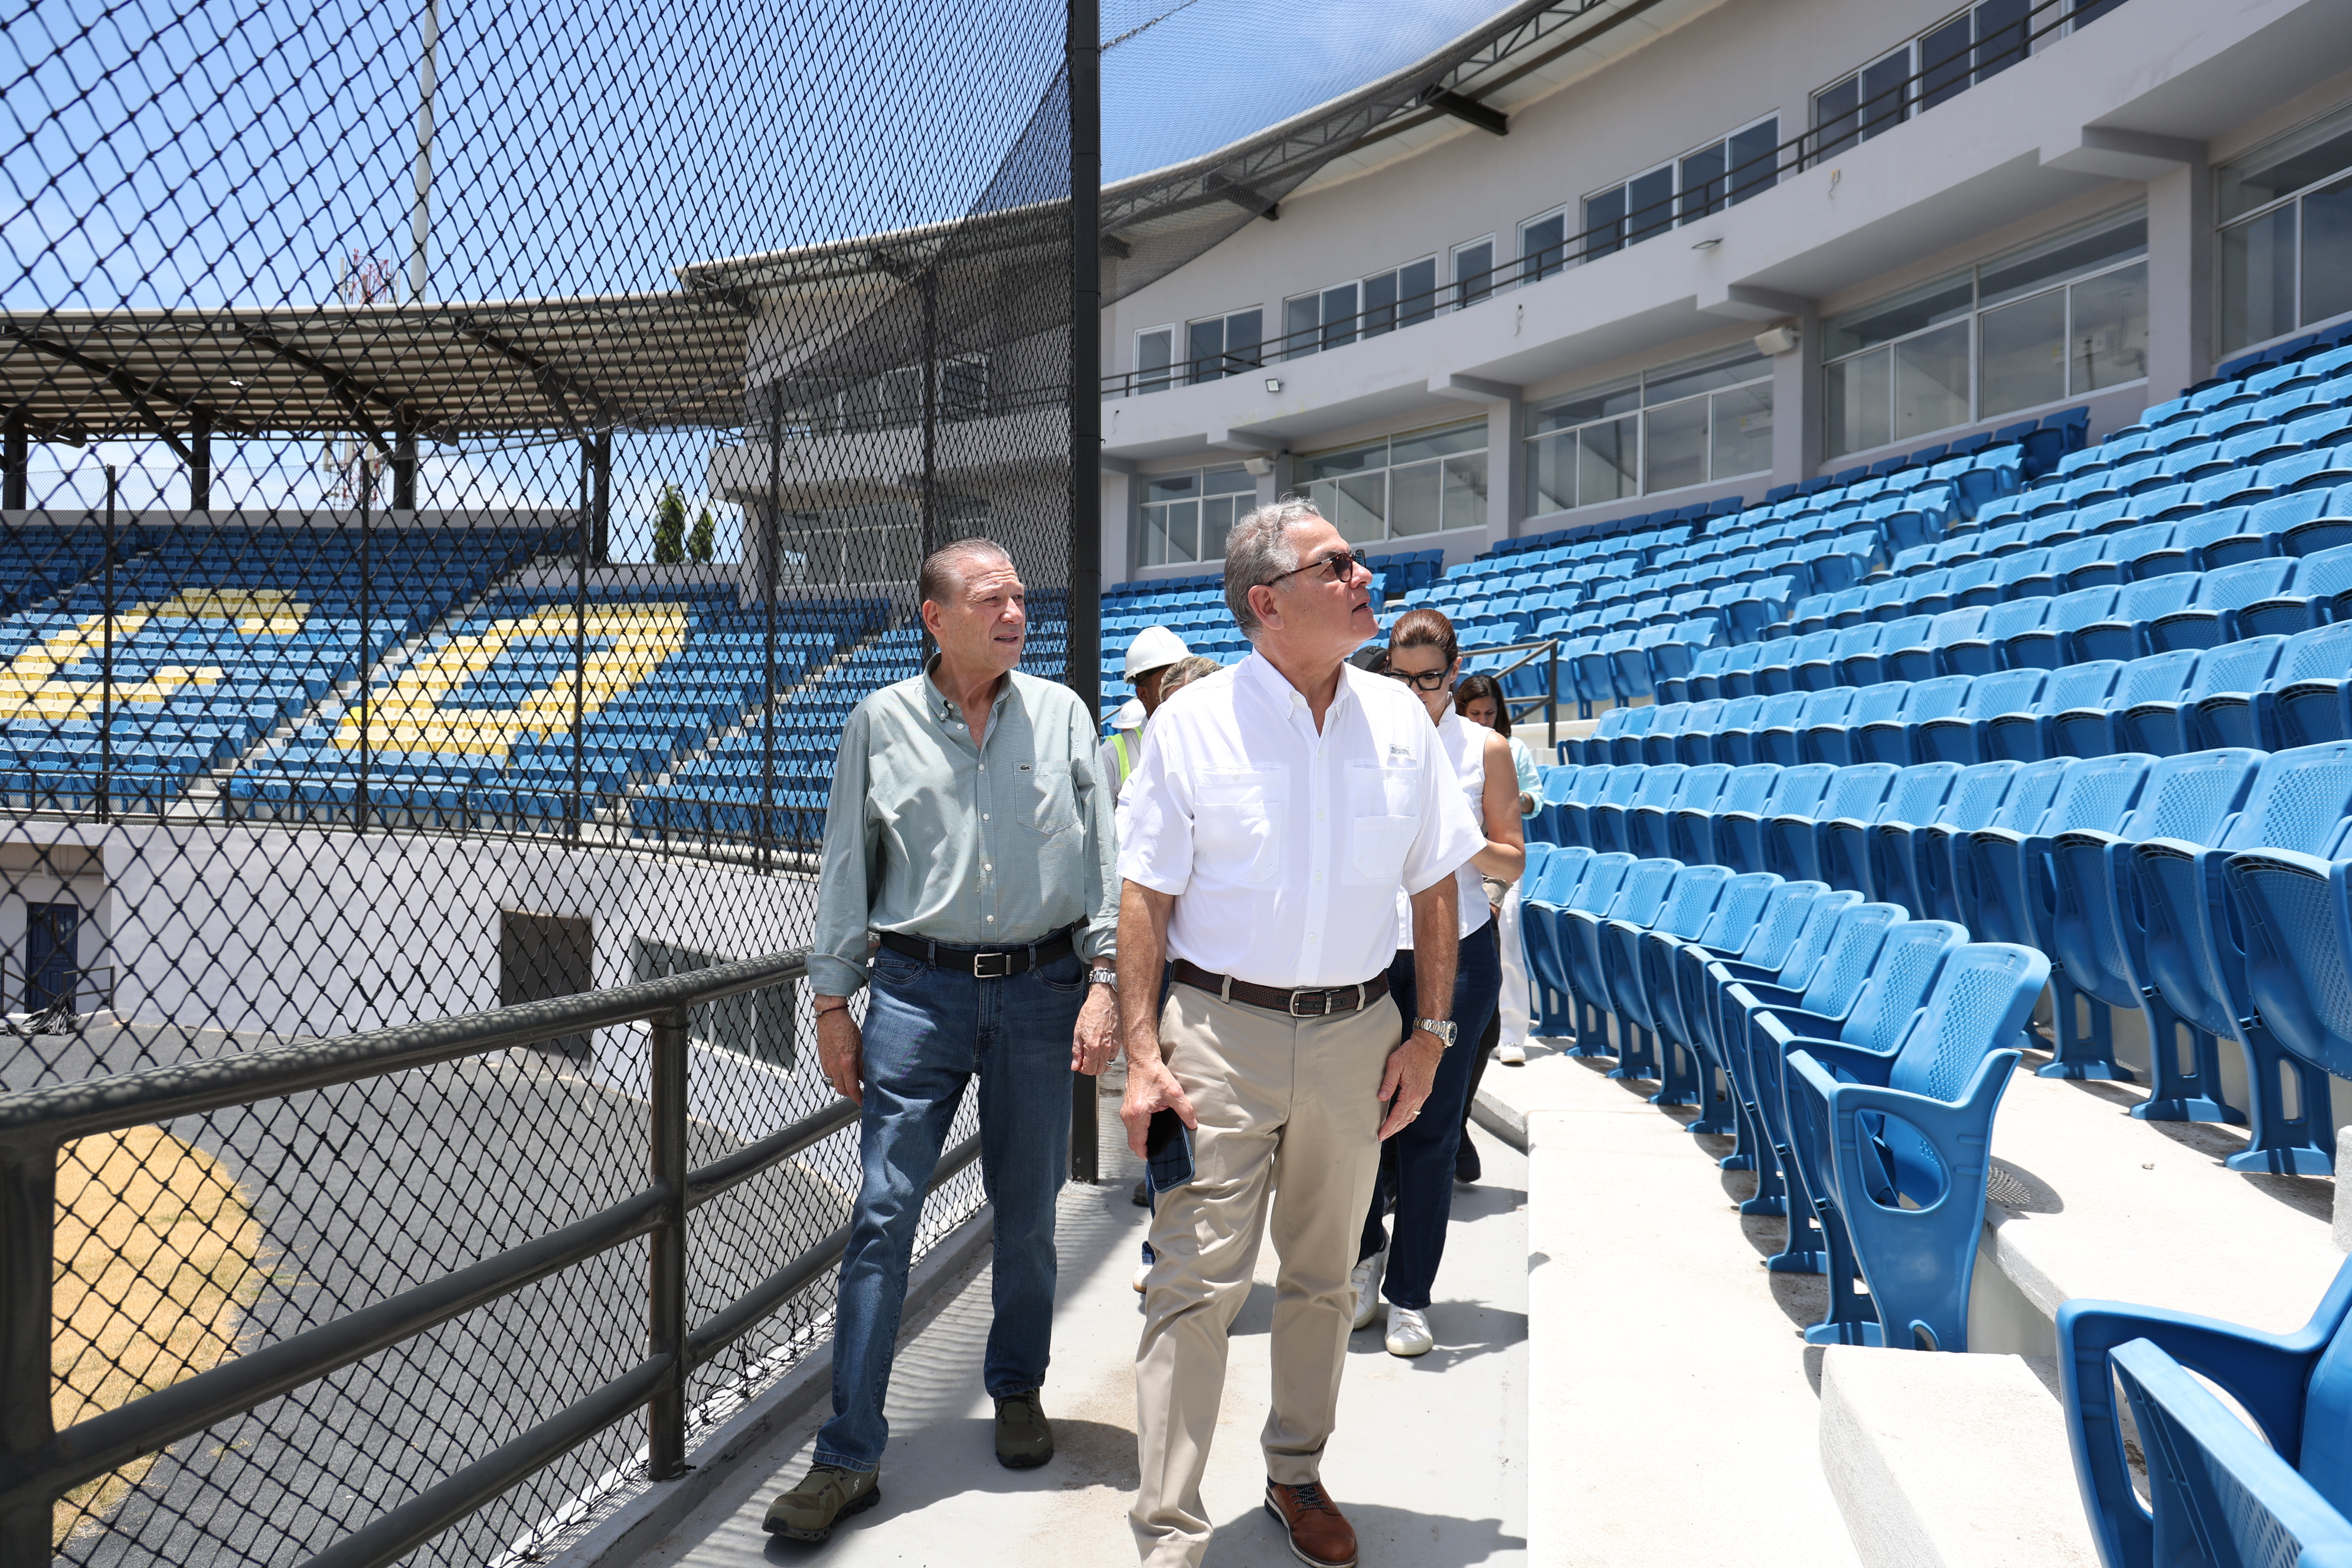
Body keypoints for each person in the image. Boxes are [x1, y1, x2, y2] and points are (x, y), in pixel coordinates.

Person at [1116, 499, 1483, 1568]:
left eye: (1358, 558)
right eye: (1336, 564)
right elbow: (1141, 897)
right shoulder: (1189, 724)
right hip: (1216, 1036)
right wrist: (1143, 1055)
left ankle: (1293, 1474)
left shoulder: (1397, 717)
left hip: (1354, 1038)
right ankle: (1169, 1534)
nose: (1364, 573)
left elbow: (1433, 891)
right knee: (1193, 1282)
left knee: (1323, 1276)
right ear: (1266, 602)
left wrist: (1429, 1036)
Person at [763, 538, 1122, 1544]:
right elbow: (846, 866)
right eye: (991, 597)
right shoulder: (876, 722)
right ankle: (849, 1454)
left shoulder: (1061, 716)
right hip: (915, 995)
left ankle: (1015, 1387)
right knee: (880, 1213)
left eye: (1019, 596)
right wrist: (832, 1005)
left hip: (1044, 989)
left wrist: (1103, 982)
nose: (1015, 611)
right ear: (934, 617)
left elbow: (1104, 862)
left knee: (1027, 1212)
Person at [1349, 616, 1524, 1357]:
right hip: (1364, 951)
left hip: (1456, 955)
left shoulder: (1485, 748)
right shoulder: (1363, 737)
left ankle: (1410, 1295)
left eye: (1431, 676)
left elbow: (1511, 861)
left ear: (1455, 671)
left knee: (1429, 1129)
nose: (1418, 691)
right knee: (1353, 1125)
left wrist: (1453, 831)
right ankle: (1361, 1260)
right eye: (1403, 675)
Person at [1448, 671, 1543, 1188]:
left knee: (1506, 956)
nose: (1482, 720)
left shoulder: (1504, 751)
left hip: (1492, 868)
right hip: (1455, 880)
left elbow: (1531, 799)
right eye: (1474, 712)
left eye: (1489, 713)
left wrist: (1510, 802)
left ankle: (1513, 1033)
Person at [1101, 623, 1191, 798]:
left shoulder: (1209, 734)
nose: (1182, 685)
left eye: (1183, 675)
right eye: (1169, 680)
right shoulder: (1112, 755)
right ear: (1143, 694)